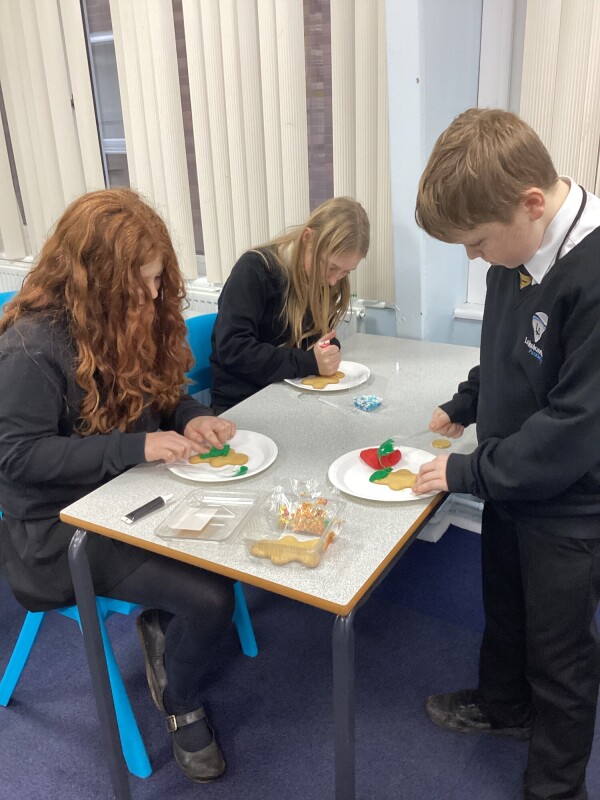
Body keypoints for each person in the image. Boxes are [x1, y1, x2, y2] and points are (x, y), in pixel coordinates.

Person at [0, 188, 239, 784]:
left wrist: (189, 416)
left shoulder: (119, 319)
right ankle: (181, 703)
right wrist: (136, 447)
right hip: (57, 533)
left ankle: (164, 629)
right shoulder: (30, 347)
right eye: (145, 282)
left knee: (236, 542)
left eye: (159, 279)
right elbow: (18, 458)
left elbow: (160, 394)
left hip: (127, 497)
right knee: (212, 598)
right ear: (99, 281)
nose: (155, 295)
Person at [413, 107, 600, 800]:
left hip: (570, 508)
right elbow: (506, 353)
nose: (473, 257)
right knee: (506, 609)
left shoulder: (591, 275)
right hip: (510, 481)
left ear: (531, 203)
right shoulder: (515, 253)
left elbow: (574, 426)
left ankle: (555, 788)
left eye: (477, 241)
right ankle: (503, 706)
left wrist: (467, 470)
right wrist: (467, 402)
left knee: (560, 657)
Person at [209, 197, 370, 412]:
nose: (333, 281)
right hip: (243, 404)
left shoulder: (319, 278)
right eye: (331, 267)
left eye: (345, 272)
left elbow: (308, 344)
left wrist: (326, 351)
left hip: (289, 396)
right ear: (307, 239)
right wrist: (310, 362)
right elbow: (233, 350)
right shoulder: (254, 270)